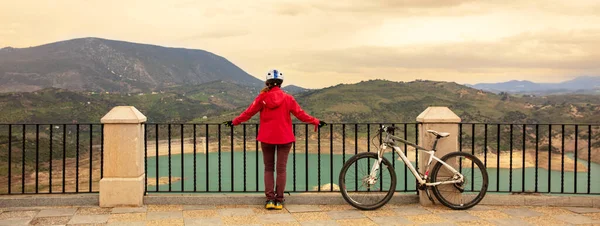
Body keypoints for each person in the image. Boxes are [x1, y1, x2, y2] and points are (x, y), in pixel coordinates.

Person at [223, 69, 326, 210]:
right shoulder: (288, 98)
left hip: (266, 138)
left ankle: (270, 199)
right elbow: (301, 114)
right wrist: (316, 121)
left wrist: (234, 122)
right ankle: (279, 199)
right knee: (281, 169)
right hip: (285, 138)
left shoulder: (262, 98)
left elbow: (248, 113)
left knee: (269, 168)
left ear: (268, 83)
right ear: (281, 84)